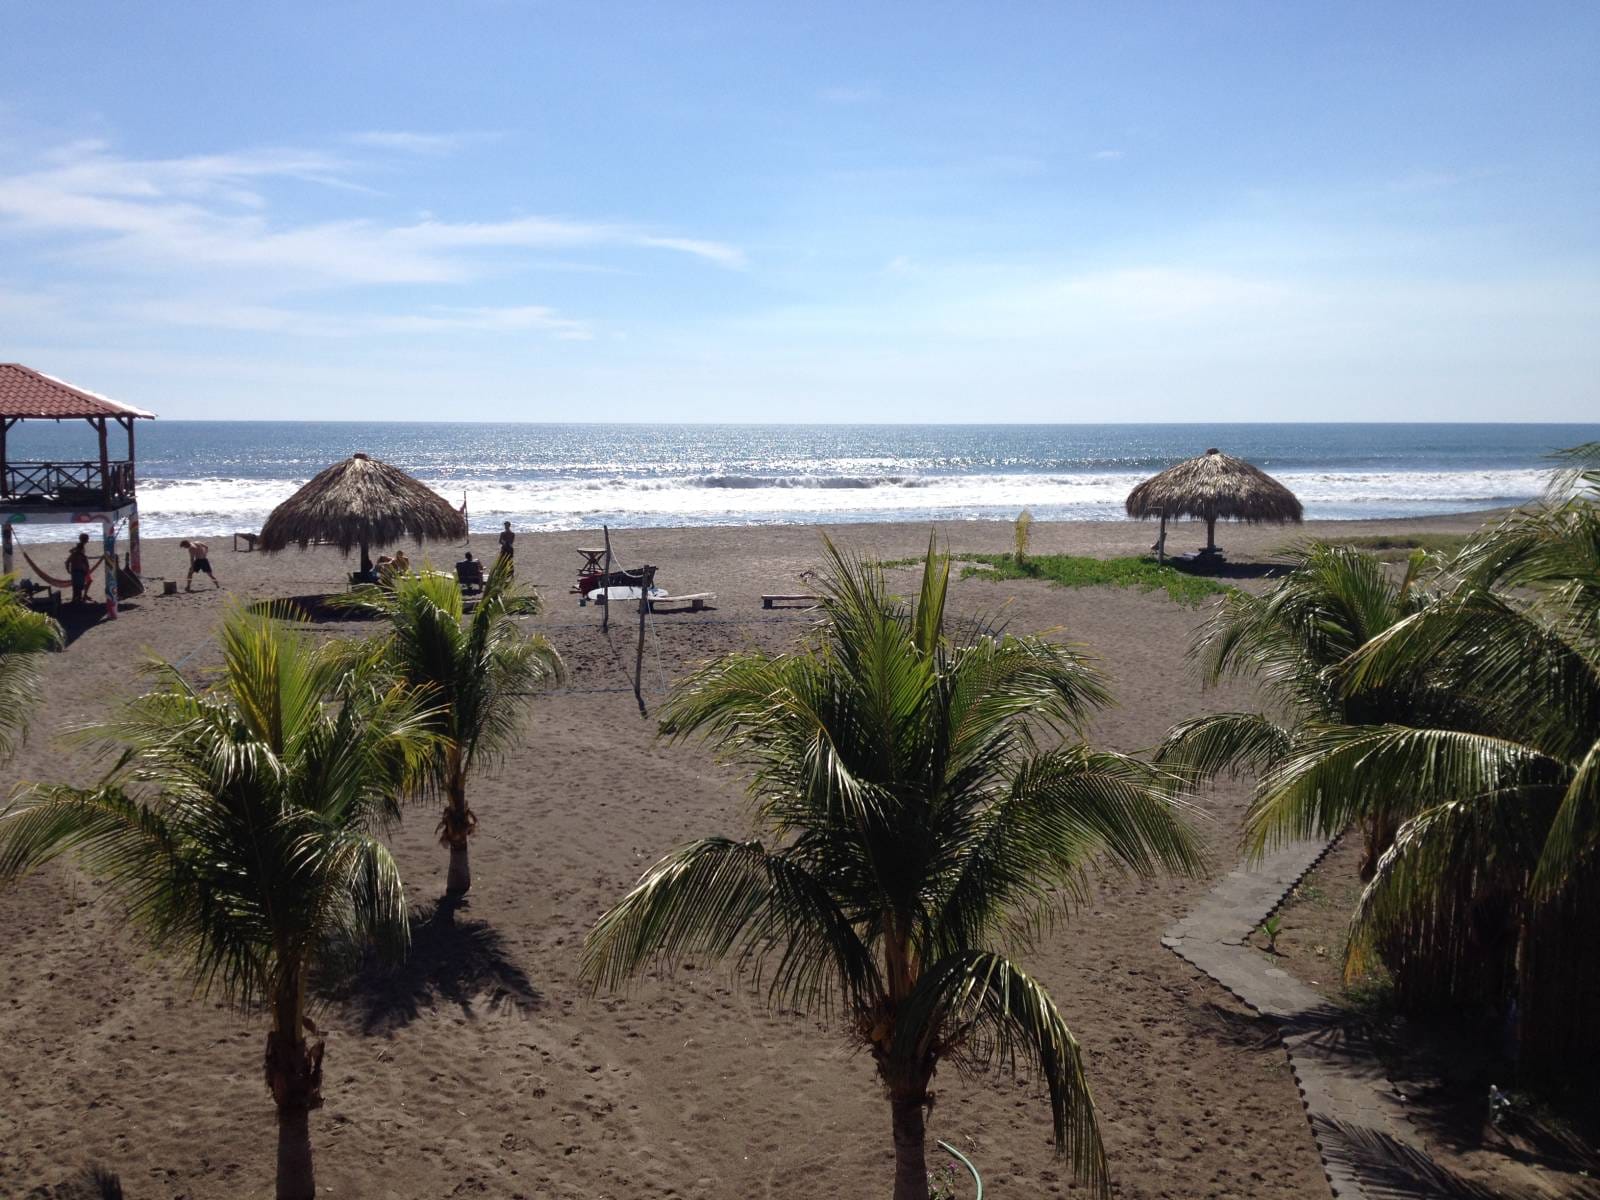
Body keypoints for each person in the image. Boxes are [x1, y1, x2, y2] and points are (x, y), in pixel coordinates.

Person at [65, 533, 92, 605]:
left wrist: (68, 569)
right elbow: (70, 557)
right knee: (79, 586)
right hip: (80, 570)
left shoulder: (79, 550)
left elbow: (68, 561)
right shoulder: (80, 548)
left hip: (79, 571)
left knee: (77, 586)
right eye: (87, 539)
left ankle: (78, 598)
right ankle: (80, 598)